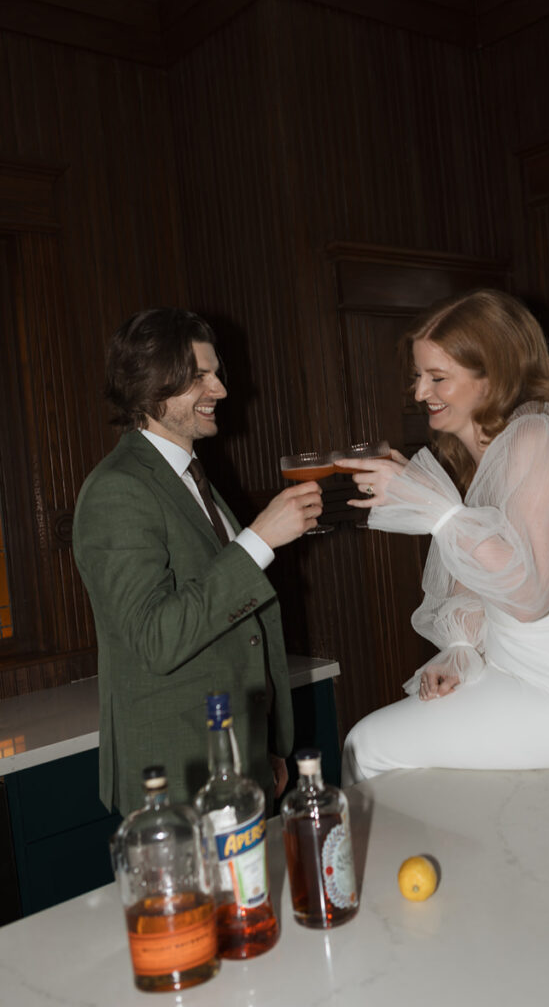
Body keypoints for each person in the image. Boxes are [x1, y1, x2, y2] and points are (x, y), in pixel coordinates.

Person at [338, 289, 549, 785]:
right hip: (520, 674)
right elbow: (482, 591)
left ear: (494, 376)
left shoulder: (539, 438)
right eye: (418, 376)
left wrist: (436, 511)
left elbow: (530, 594)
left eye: (438, 377)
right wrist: (462, 652)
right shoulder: (482, 456)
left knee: (365, 744)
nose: (419, 393)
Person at [73, 308, 322, 816]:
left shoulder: (190, 475)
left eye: (216, 372)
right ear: (148, 385)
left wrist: (260, 749)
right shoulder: (117, 489)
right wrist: (258, 540)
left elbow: (230, 631)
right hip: (176, 778)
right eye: (198, 377)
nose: (221, 389)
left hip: (233, 759)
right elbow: (157, 639)